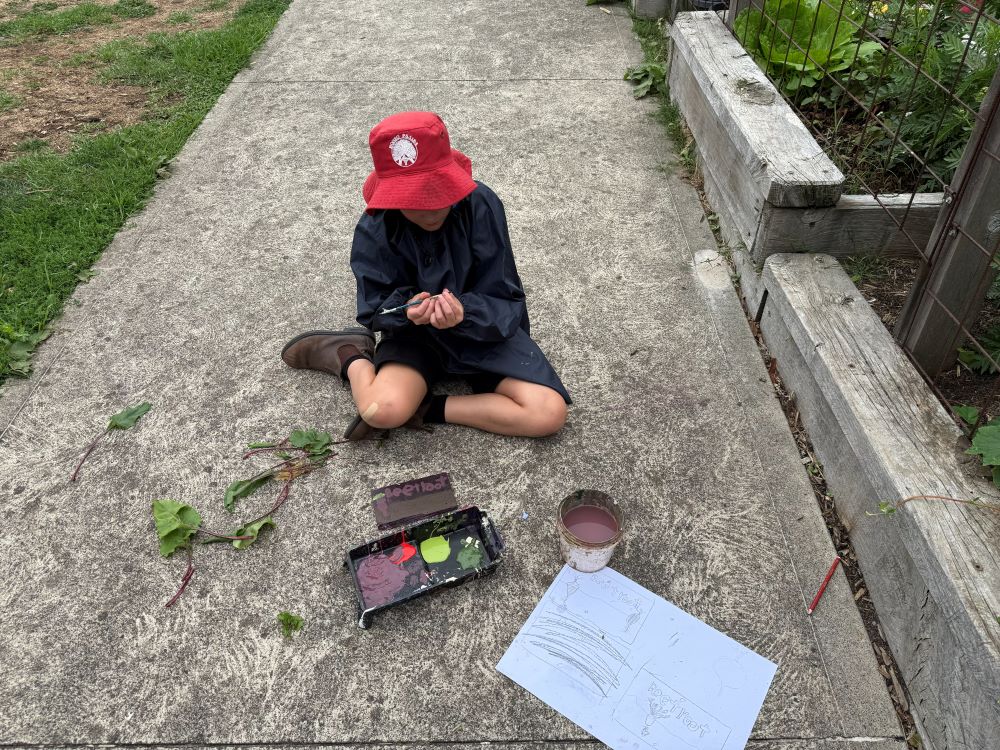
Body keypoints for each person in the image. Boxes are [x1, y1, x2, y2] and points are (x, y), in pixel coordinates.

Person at [281, 111, 570, 440]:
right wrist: (406, 311)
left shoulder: (481, 203)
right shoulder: (376, 224)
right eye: (413, 199)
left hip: (483, 333)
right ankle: (350, 356)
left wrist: (464, 313)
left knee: (548, 414)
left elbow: (506, 296)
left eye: (437, 193)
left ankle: (425, 407)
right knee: (380, 411)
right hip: (414, 336)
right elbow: (374, 306)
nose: (429, 209)